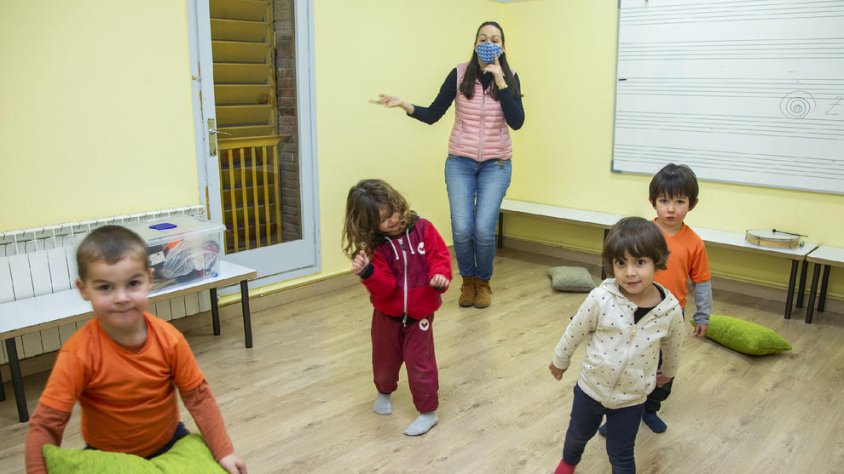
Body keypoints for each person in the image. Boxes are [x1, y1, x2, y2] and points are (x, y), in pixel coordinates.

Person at [25, 226, 246, 474]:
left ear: (149, 280)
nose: (121, 297)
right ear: (83, 289)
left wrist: (224, 451)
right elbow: (46, 424)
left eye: (132, 283)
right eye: (105, 287)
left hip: (169, 443)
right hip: (106, 456)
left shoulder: (170, 340)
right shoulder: (78, 353)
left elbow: (199, 398)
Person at [370, 21, 524, 309]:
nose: (488, 43)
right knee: (463, 228)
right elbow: (432, 113)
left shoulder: (511, 77)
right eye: (483, 38)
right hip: (460, 162)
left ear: (503, 47)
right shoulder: (460, 74)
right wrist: (404, 104)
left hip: (497, 164)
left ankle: (483, 282)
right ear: (475, 42)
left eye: (495, 39)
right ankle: (467, 281)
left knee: (483, 228)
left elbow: (517, 121)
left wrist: (501, 81)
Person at [548, 217, 685, 474]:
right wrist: (560, 360)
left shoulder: (670, 310)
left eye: (640, 262)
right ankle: (568, 463)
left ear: (657, 261)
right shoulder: (601, 297)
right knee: (578, 435)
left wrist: (669, 372)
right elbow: (575, 330)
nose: (630, 272)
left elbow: (674, 345)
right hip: (590, 389)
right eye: (621, 263)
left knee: (621, 454)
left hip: (631, 399)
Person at [598, 163, 712, 436]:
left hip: (672, 316)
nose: (671, 208)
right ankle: (618, 414)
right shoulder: (641, 236)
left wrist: (703, 315)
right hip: (635, 311)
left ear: (692, 205)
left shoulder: (695, 242)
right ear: (653, 202)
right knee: (627, 364)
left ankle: (649, 409)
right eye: (664, 201)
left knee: (664, 368)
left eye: (679, 201)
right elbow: (619, 272)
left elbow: (702, 281)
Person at [342, 179, 452, 436]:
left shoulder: (423, 229)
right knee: (384, 361)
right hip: (386, 317)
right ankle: (383, 391)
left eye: (394, 210)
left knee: (421, 364)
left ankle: (428, 412)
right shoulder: (375, 248)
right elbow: (386, 288)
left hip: (419, 317)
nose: (393, 219)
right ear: (370, 223)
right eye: (383, 218)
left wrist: (439, 278)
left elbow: (440, 257)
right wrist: (368, 272)